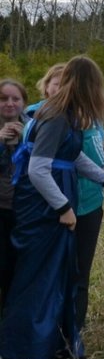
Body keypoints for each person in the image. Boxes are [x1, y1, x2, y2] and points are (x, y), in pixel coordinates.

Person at [1, 57, 104, 359]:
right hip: (42, 208)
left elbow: (73, 155)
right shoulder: (57, 115)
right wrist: (64, 208)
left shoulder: (68, 115)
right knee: (36, 278)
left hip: (54, 200)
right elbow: (38, 169)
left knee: (59, 276)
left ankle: (56, 347)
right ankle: (15, 355)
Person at [0, 79, 28, 312]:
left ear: (24, 103)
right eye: (3, 99)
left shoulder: (33, 127)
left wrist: (24, 143)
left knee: (18, 264)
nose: (9, 104)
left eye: (15, 99)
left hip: (24, 207)